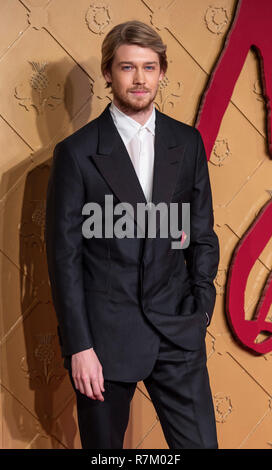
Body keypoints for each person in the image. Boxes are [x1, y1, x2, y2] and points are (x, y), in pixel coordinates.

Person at [45, 20, 220, 449]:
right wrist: (80, 346)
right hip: (103, 342)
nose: (139, 79)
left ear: (162, 71)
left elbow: (201, 234)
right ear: (108, 73)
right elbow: (63, 258)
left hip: (178, 331)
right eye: (127, 67)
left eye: (149, 67)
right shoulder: (77, 153)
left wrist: (200, 309)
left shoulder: (188, 142)